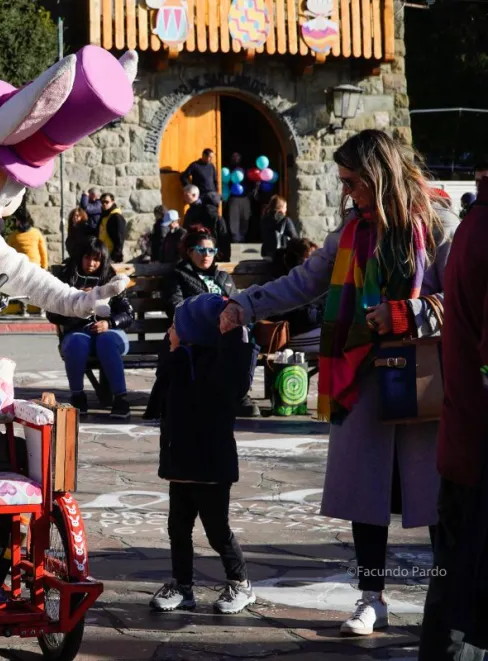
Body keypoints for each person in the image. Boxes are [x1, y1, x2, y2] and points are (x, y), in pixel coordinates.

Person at [220, 129, 457, 636]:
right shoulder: (351, 230)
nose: (346, 192)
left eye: (352, 181)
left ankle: (448, 601)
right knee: (366, 492)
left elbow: (466, 299)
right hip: (360, 375)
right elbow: (304, 281)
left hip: (425, 381)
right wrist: (246, 305)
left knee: (436, 498)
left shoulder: (440, 224)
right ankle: (371, 599)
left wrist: (406, 314)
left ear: (379, 175)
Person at [149, 294, 257, 614]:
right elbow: (159, 393)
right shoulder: (181, 358)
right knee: (178, 529)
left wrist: (232, 334)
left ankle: (240, 583)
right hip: (180, 461)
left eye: (175, 326)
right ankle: (182, 586)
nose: (169, 331)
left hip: (211, 464)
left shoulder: (222, 361)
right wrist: (172, 351)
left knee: (217, 530)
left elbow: (236, 380)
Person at [419, 172, 488, 660]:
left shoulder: (473, 223)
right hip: (478, 453)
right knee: (464, 609)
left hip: (466, 443)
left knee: (452, 598)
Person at [160, 226, 256, 418]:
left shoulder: (223, 277)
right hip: (196, 328)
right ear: (189, 252)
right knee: (236, 339)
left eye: (211, 250)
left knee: (248, 337)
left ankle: (239, 392)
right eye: (201, 250)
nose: (206, 255)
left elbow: (237, 302)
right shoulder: (178, 275)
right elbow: (175, 306)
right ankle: (235, 395)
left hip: (228, 328)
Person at [47, 239, 133, 419]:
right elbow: (52, 314)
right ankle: (78, 396)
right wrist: (79, 305)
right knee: (77, 342)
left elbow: (127, 314)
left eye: (97, 259)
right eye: (87, 257)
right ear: (80, 257)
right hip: (77, 332)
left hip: (110, 332)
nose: (91, 263)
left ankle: (120, 398)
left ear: (103, 260)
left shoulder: (111, 279)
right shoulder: (67, 278)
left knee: (107, 340)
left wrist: (109, 323)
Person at [267, 238, 323, 353]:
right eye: (308, 259)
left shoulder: (315, 280)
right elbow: (289, 315)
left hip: (317, 329)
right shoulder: (279, 283)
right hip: (296, 334)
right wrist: (317, 314)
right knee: (340, 339)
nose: (314, 263)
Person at [259, 195, 298, 259]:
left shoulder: (264, 219)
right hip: (281, 255)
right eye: (285, 207)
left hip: (266, 253)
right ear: (281, 208)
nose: (286, 209)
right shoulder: (285, 220)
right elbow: (295, 239)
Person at [98, 192, 128, 262]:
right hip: (102, 253)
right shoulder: (104, 215)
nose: (104, 204)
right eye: (102, 202)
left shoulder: (117, 217)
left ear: (112, 202)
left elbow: (120, 240)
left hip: (111, 255)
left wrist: (114, 258)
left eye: (106, 202)